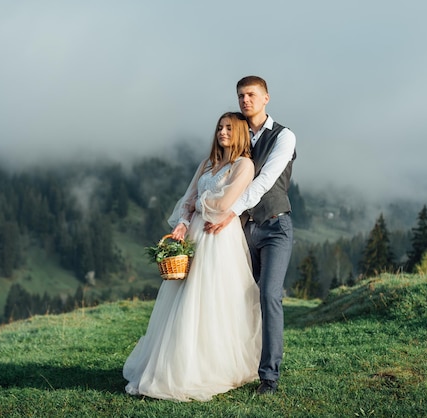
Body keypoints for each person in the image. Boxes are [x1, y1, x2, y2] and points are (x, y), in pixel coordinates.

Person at [123, 112, 262, 402]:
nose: (222, 132)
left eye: (228, 128)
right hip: (196, 233)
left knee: (213, 297)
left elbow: (224, 203)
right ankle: (175, 363)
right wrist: (184, 222)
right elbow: (188, 200)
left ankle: (211, 364)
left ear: (239, 132)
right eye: (219, 128)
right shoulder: (207, 165)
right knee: (184, 297)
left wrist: (200, 204)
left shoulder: (243, 165)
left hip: (219, 236)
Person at [205, 76, 297, 395]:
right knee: (239, 299)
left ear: (266, 98)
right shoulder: (236, 130)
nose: (246, 100)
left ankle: (268, 377)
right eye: (241, 95)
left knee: (269, 295)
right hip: (242, 230)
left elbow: (265, 181)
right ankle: (235, 365)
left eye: (252, 95)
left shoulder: (284, 136)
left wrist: (230, 211)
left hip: (274, 226)